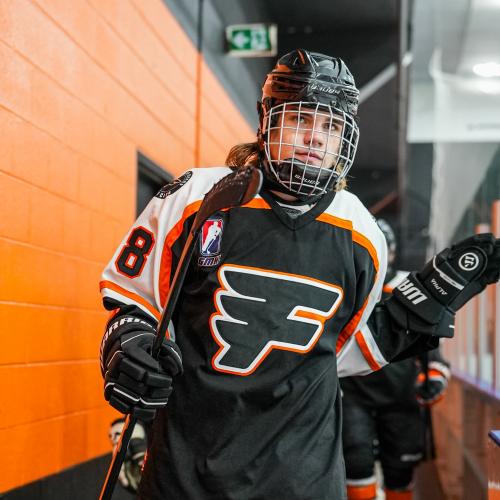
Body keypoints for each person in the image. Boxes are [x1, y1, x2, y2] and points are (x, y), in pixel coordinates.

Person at [98, 49, 500, 499]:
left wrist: (417, 308)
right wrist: (128, 340)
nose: (315, 138)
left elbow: (345, 351)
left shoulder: (361, 233)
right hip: (187, 468)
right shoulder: (198, 195)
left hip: (301, 475)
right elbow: (131, 294)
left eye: (331, 127)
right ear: (266, 120)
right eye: (300, 119)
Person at [340, 220, 450, 500]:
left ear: (389, 251)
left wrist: (434, 377)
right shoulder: (344, 284)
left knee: (400, 473)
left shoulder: (409, 286)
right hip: (352, 394)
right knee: (355, 465)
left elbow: (431, 348)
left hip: (400, 397)